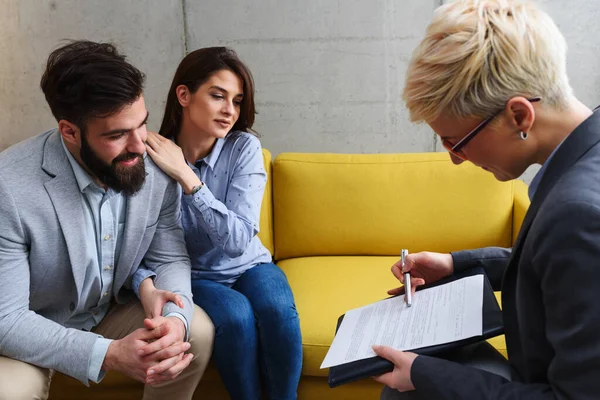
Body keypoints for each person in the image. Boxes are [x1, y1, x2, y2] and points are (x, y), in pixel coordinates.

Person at [373, 0, 600, 399]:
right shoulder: (584, 161)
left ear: (518, 116)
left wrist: (427, 377)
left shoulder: (577, 213)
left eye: (455, 142)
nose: (455, 159)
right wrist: (455, 264)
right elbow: (551, 265)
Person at [0, 40, 214, 400]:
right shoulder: (9, 187)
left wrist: (174, 321)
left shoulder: (156, 167)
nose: (138, 145)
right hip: (34, 324)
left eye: (141, 125)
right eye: (117, 135)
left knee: (196, 332)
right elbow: (6, 320)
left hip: (108, 311)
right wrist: (108, 354)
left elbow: (169, 258)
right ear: (69, 131)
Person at [139, 47, 302, 400]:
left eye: (238, 100)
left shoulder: (244, 147)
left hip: (249, 264)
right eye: (218, 96)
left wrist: (187, 177)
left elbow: (238, 240)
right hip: (194, 276)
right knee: (235, 318)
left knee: (278, 312)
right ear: (184, 95)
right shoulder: (149, 159)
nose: (230, 110)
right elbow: (136, 245)